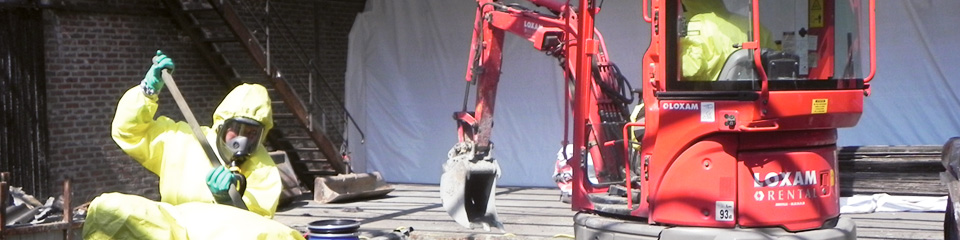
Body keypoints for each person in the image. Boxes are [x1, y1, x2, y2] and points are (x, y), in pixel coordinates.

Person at [82, 50, 304, 240]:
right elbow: (128, 132)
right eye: (236, 129)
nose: (242, 139)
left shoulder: (262, 168)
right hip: (174, 231)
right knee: (109, 208)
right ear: (222, 124)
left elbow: (256, 227)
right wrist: (147, 91)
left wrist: (228, 201)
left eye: (253, 132)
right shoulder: (183, 140)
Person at [680, 0, 775, 81]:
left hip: (712, 96)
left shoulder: (697, 24)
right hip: (753, 94)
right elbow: (773, 61)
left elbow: (690, 69)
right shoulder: (754, 25)